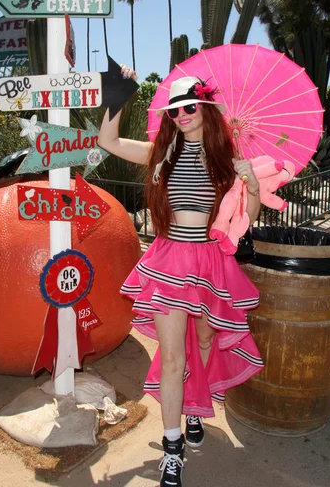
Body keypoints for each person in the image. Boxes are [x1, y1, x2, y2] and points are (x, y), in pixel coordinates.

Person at [99, 68, 264, 487]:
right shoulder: (162, 151)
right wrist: (119, 97)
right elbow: (109, 143)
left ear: (207, 109)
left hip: (211, 265)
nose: (182, 115)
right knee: (173, 358)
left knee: (206, 340)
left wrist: (254, 185)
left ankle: (195, 409)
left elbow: (248, 219)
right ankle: (173, 448)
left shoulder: (226, 158)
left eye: (190, 106)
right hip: (170, 262)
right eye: (174, 111)